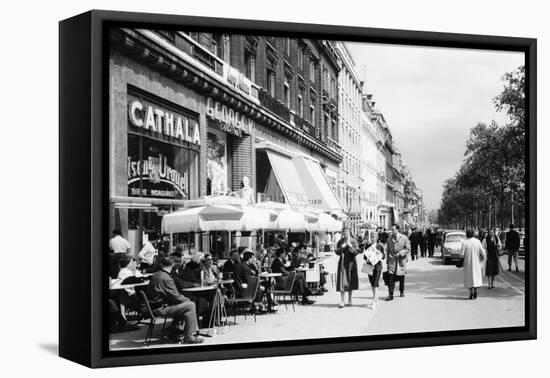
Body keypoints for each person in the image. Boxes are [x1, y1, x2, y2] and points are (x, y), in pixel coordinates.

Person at [145, 256, 204, 343]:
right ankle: (189, 336)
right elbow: (176, 296)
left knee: (185, 305)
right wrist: (186, 300)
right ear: (172, 264)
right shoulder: (166, 278)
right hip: (161, 308)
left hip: (154, 306)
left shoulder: (156, 274)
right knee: (190, 305)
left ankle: (173, 331)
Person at [385, 224, 411, 301]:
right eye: (391, 229)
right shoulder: (389, 239)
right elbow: (388, 250)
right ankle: (390, 294)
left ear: (397, 229)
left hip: (401, 260)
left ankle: (401, 290)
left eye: (393, 229)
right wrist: (387, 261)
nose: (392, 231)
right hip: (392, 261)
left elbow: (408, 249)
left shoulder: (404, 238)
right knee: (391, 277)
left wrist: (400, 254)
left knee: (401, 276)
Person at [335, 227, 359, 308]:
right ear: (342, 233)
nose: (346, 233)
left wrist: (350, 246)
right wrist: (342, 247)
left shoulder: (353, 240)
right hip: (342, 264)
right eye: (344, 232)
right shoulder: (340, 241)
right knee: (342, 281)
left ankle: (350, 299)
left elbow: (356, 252)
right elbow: (337, 252)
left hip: (351, 264)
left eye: (347, 231)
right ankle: (342, 301)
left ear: (349, 232)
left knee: (350, 281)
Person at [461, 228, 486, 300]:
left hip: (467, 262)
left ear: (467, 234)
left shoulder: (464, 242)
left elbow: (462, 254)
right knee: (476, 276)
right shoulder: (478, 241)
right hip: (476, 262)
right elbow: (482, 252)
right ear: (473, 234)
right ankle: (475, 290)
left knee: (469, 277)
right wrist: (483, 259)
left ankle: (470, 293)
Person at [364, 242, 386, 308]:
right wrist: (366, 258)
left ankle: (374, 300)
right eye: (371, 237)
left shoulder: (380, 246)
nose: (372, 238)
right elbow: (365, 256)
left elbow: (384, 256)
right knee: (372, 283)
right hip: (369, 266)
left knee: (375, 283)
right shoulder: (368, 245)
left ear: (376, 238)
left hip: (377, 267)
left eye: (373, 237)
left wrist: (380, 254)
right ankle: (376, 296)